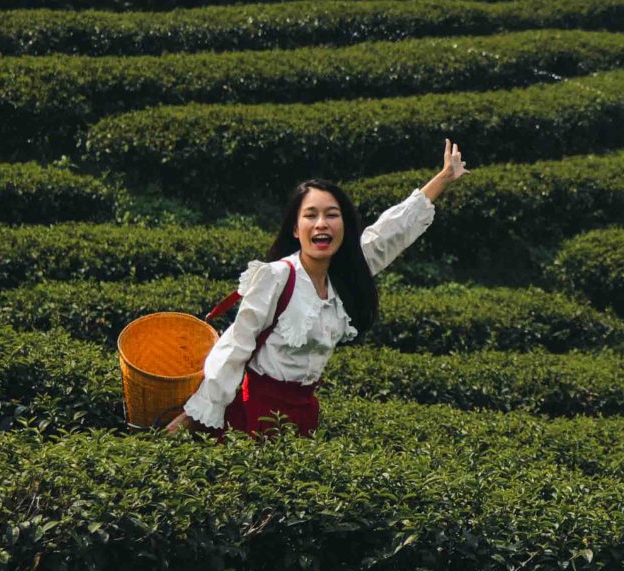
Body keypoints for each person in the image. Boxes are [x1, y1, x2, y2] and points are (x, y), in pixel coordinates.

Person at [164, 140, 467, 440]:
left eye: (332, 215)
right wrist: (196, 414)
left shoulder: (343, 274)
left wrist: (443, 178)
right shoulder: (277, 276)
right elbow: (235, 345)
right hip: (255, 415)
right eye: (311, 215)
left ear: (344, 225)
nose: (322, 224)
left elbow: (390, 233)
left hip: (303, 418)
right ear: (295, 229)